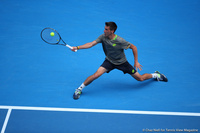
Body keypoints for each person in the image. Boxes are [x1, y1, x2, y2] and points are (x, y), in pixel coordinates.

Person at [71, 22, 168, 100]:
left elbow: (134, 47)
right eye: (104, 28)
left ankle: (156, 75)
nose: (104, 30)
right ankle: (79, 89)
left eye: (106, 29)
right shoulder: (103, 37)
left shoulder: (120, 41)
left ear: (112, 31)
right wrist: (77, 47)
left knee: (140, 79)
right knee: (96, 75)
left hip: (122, 63)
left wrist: (136, 61)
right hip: (109, 61)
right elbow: (91, 44)